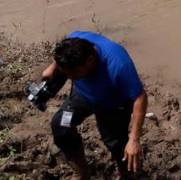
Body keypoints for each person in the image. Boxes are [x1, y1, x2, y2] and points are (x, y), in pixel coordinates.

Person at [42, 31, 148, 179]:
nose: (70, 78)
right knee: (61, 125)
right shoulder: (76, 39)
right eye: (67, 73)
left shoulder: (118, 64)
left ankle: (128, 175)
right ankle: (82, 173)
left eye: (74, 74)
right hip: (83, 95)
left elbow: (140, 97)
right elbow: (64, 45)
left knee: (117, 145)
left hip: (112, 104)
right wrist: (53, 67)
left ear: (90, 60)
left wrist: (134, 139)